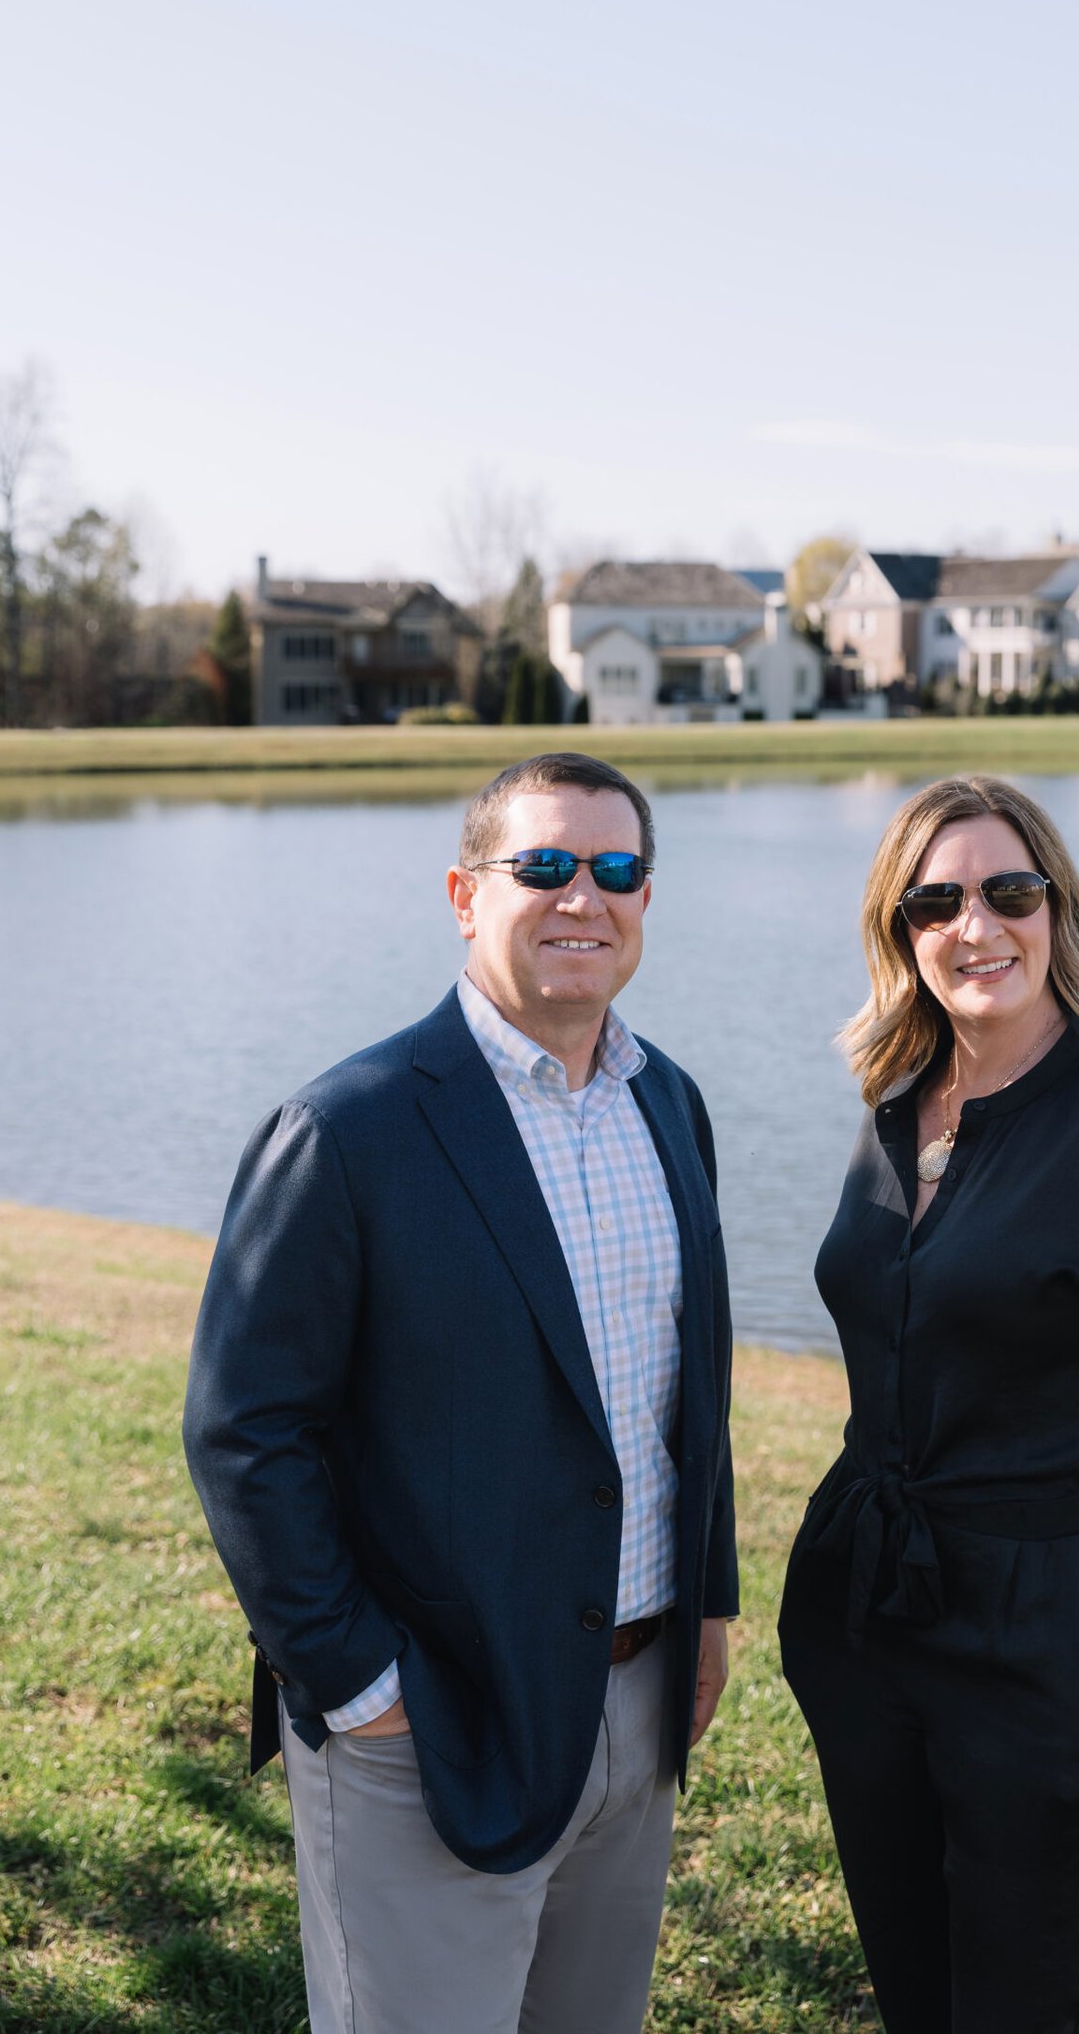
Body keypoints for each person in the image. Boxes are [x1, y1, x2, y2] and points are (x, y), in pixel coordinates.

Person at [184, 750, 736, 2034]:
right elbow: (246, 1433)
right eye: (540, 866)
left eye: (615, 870)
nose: (579, 898)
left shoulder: (673, 1106)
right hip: (429, 1720)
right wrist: (360, 1689)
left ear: (647, 898)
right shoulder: (347, 1130)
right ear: (462, 892)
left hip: (637, 1703)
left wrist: (704, 1607)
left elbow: (681, 1400)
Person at [779, 774, 1079, 2034]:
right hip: (871, 1618)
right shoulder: (899, 1103)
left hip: (1047, 1630)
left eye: (1008, 890)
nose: (975, 925)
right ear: (899, 930)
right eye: (935, 899)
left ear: (1057, 909)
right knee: (917, 1994)